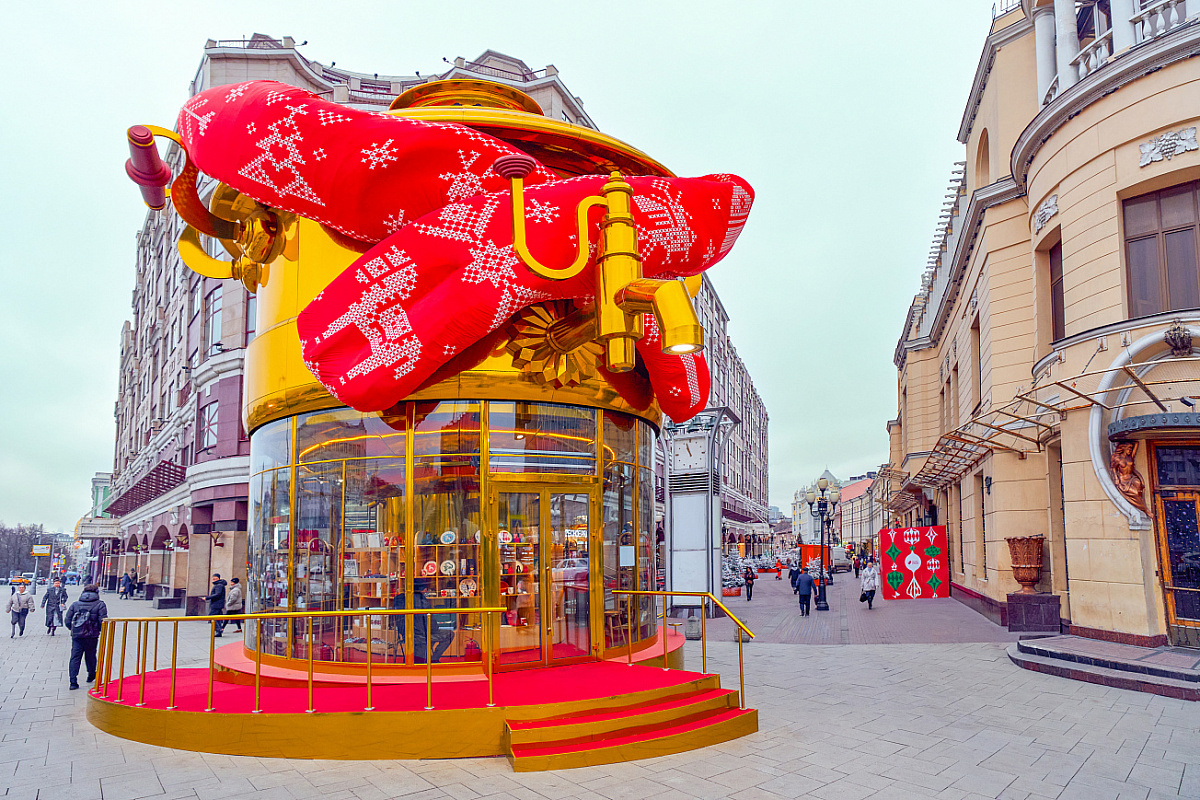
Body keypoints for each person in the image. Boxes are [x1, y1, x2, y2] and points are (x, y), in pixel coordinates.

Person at [64, 583, 108, 690]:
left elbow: (67, 620)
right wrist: (98, 630)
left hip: (77, 635)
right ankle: (91, 674)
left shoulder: (75, 604)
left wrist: (74, 629)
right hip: (91, 635)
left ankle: (73, 681)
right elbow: (103, 621)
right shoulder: (100, 604)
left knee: (75, 656)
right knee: (91, 655)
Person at [406, 579, 454, 663]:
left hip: (407, 634)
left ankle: (426, 655)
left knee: (431, 635)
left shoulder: (405, 599)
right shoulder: (422, 601)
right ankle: (434, 658)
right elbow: (432, 626)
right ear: (424, 589)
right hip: (421, 635)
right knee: (449, 634)